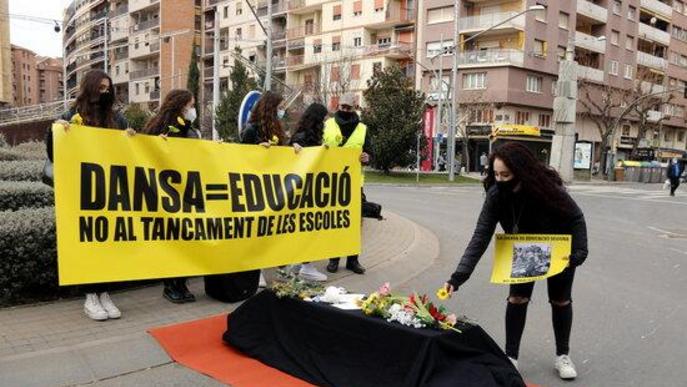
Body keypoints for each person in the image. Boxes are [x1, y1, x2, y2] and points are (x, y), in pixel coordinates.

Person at [442, 142, 588, 380]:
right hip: (522, 250)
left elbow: (576, 217)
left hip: (559, 249)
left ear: (521, 171)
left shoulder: (546, 188)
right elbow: (480, 237)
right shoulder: (496, 195)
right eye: (496, 174)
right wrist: (458, 277)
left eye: (506, 175)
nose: (500, 180)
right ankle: (511, 358)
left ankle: (563, 355)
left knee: (560, 300)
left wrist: (580, 250)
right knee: (517, 299)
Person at [48, 69, 131, 321]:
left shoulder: (117, 119)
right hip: (81, 192)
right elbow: (54, 154)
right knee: (87, 244)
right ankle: (90, 296)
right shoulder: (70, 116)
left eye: (108, 89)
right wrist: (57, 132)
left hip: (108, 191)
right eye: (101, 88)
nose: (104, 93)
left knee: (107, 244)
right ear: (90, 88)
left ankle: (105, 292)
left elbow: (131, 153)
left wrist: (132, 138)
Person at [142, 89, 200, 303]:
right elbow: (142, 152)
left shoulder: (190, 129)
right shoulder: (157, 128)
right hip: (166, 194)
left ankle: (181, 283)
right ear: (180, 106)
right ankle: (170, 286)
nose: (193, 110)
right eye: (191, 105)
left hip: (187, 193)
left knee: (186, 241)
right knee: (173, 241)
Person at [241, 91, 288, 287]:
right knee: (258, 232)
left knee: (274, 231)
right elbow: (239, 157)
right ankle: (256, 271)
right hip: (255, 188)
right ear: (270, 109)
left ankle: (278, 268)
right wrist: (258, 151)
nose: (281, 112)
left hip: (274, 187)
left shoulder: (278, 129)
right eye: (278, 108)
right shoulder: (251, 130)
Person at [324, 94, 371, 275]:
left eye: (348, 108)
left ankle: (353, 260)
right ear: (338, 107)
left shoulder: (363, 129)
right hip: (332, 183)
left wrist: (367, 158)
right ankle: (333, 260)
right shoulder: (328, 125)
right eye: (342, 107)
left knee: (354, 224)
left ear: (354, 108)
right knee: (335, 222)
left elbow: (369, 152)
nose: (344, 110)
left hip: (354, 184)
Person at [289, 102, 330, 282]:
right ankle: (305, 265)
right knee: (306, 228)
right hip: (302, 190)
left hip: (305, 189)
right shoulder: (303, 136)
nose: (326, 122)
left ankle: (300, 263)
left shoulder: (304, 133)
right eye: (324, 119)